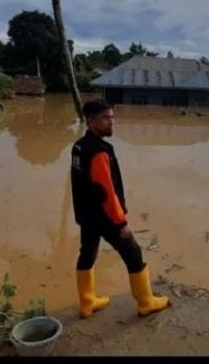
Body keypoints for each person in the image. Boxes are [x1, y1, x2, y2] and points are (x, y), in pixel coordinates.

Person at [70, 99, 169, 319]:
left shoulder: (79, 146)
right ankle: (146, 302)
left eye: (112, 117)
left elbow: (81, 185)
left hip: (86, 215)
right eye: (105, 118)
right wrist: (121, 222)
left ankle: (87, 303)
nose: (111, 122)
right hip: (104, 216)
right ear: (91, 121)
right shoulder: (99, 151)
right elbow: (106, 191)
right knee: (133, 253)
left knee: (87, 253)